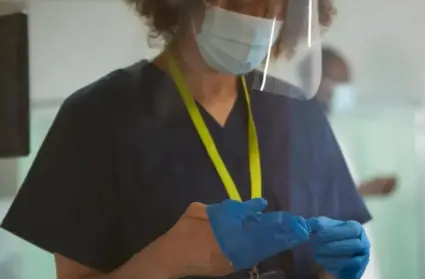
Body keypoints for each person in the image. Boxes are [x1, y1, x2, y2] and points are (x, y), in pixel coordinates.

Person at [2, 2, 372, 279]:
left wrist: (335, 268)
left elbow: (323, 262)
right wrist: (168, 259)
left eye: (271, 6)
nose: (256, 17)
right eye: (236, 2)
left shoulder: (299, 114)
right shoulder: (95, 119)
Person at [316, 46, 398, 279]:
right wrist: (364, 190)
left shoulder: (331, 131)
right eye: (340, 82)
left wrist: (364, 190)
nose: (346, 91)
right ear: (318, 81)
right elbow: (315, 203)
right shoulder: (304, 134)